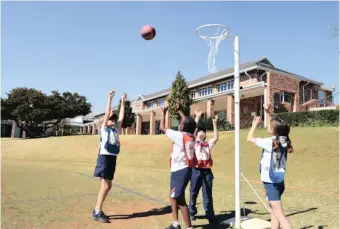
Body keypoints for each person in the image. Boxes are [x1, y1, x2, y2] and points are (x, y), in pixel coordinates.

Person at [247, 103, 293, 229]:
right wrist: (267, 112)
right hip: (278, 180)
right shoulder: (283, 140)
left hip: (271, 182)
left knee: (279, 213)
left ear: (274, 130)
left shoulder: (270, 142)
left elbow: (249, 138)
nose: (268, 125)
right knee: (273, 211)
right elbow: (276, 127)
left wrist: (254, 126)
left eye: (270, 125)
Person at [160, 103, 197, 229]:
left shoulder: (179, 136)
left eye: (181, 122)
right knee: (172, 195)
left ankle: (189, 227)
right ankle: (176, 224)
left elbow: (162, 127)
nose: (180, 122)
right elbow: (188, 123)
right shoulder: (191, 136)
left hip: (181, 170)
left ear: (183, 127)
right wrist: (180, 110)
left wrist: (164, 112)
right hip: (180, 169)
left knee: (179, 198)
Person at [92, 89, 127, 223]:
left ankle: (97, 210)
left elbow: (122, 117)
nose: (112, 119)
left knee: (107, 185)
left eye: (113, 118)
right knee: (106, 186)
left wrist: (123, 102)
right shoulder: (104, 129)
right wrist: (110, 98)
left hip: (112, 158)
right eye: (110, 118)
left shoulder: (115, 129)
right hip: (105, 158)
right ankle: (97, 211)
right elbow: (107, 113)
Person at [189, 109, 219, 224]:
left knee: (208, 193)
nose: (202, 132)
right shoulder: (194, 143)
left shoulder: (207, 144)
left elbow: (215, 138)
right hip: (196, 171)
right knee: (194, 192)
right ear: (197, 134)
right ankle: (192, 212)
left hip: (207, 172)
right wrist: (197, 117)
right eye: (199, 131)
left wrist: (215, 124)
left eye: (203, 131)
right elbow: (191, 132)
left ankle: (210, 214)